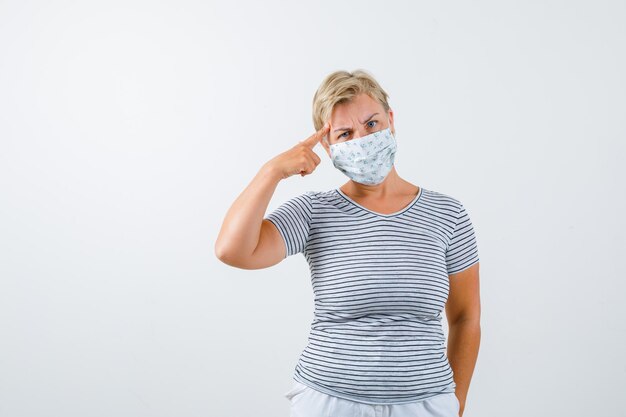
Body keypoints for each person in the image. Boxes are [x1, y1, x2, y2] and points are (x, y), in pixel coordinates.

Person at [215, 69, 481, 417]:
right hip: (329, 402)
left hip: (425, 404)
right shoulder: (313, 211)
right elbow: (232, 250)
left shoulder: (447, 214)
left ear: (391, 119)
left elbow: (466, 318)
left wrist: (455, 406)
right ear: (327, 147)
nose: (363, 139)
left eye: (371, 124)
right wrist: (272, 172)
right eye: (345, 133)